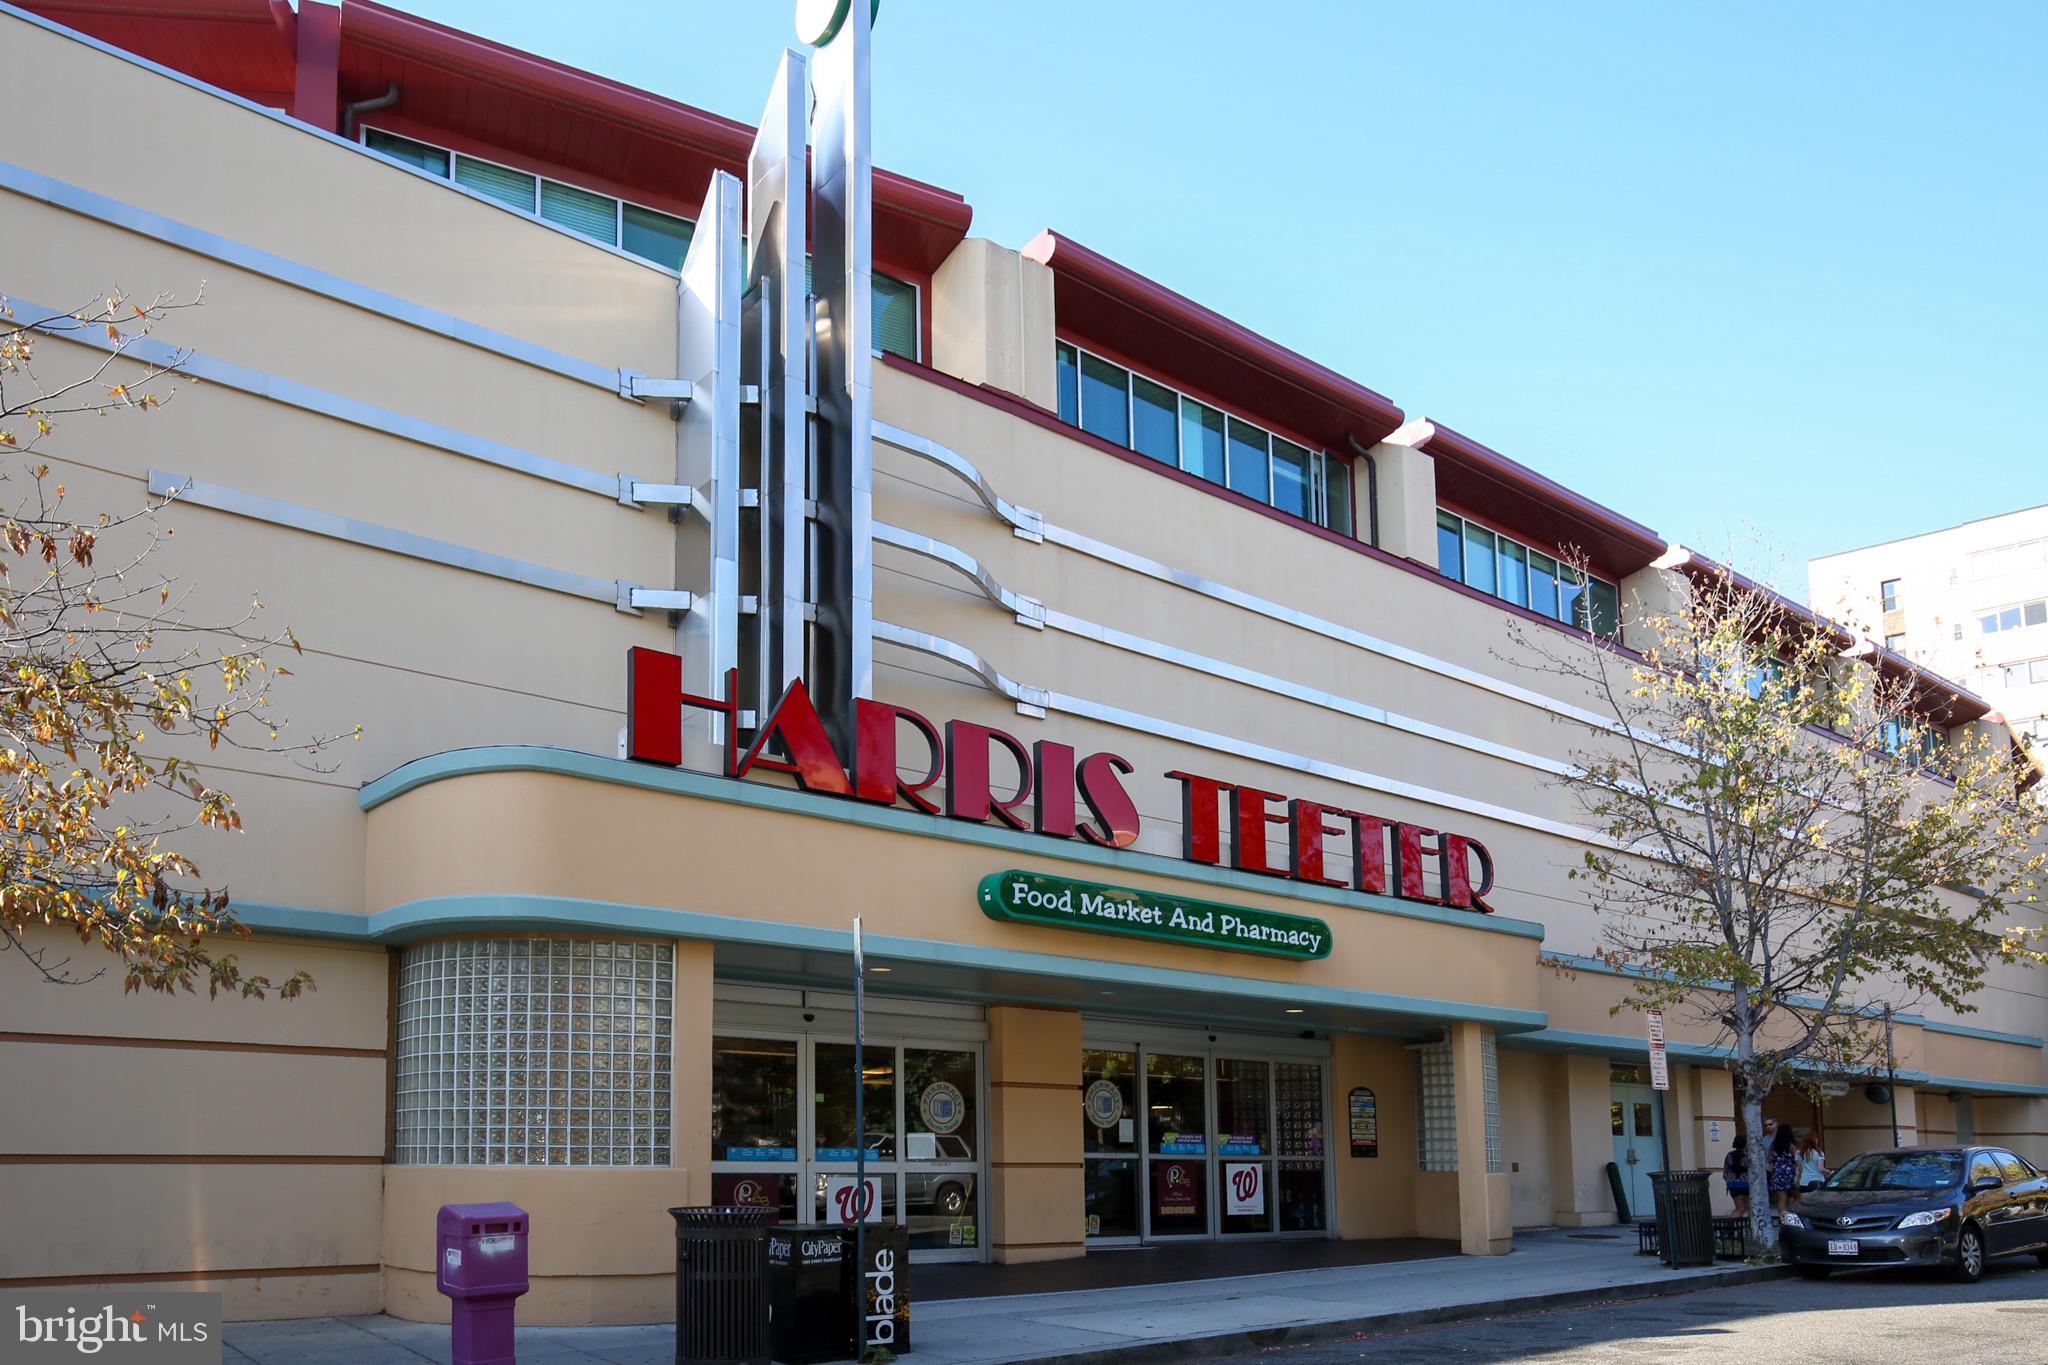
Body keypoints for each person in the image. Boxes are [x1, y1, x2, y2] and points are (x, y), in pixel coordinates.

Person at [1768, 1124, 1799, 1218]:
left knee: (1782, 1199)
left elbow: (1770, 1160)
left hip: (1777, 1173)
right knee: (1795, 1196)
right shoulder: (1791, 1145)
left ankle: (1782, 1218)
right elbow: (1797, 1160)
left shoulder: (1773, 1145)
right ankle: (1791, 1216)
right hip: (1790, 1173)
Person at [1723, 1133, 1751, 1216]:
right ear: (1745, 1144)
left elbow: (1725, 1171)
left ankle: (1730, 1227)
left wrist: (1729, 1181)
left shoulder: (1729, 1155)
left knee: (1740, 1208)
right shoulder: (1748, 1156)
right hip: (1746, 1183)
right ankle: (1752, 1228)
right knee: (1750, 1208)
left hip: (1733, 1184)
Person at [1797, 1131, 1828, 1195]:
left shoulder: (1799, 1153)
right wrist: (1830, 1173)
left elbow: (1800, 1169)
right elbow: (1821, 1169)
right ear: (1815, 1141)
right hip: (1818, 1181)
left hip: (1804, 1182)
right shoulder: (1819, 1153)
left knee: (1805, 1203)